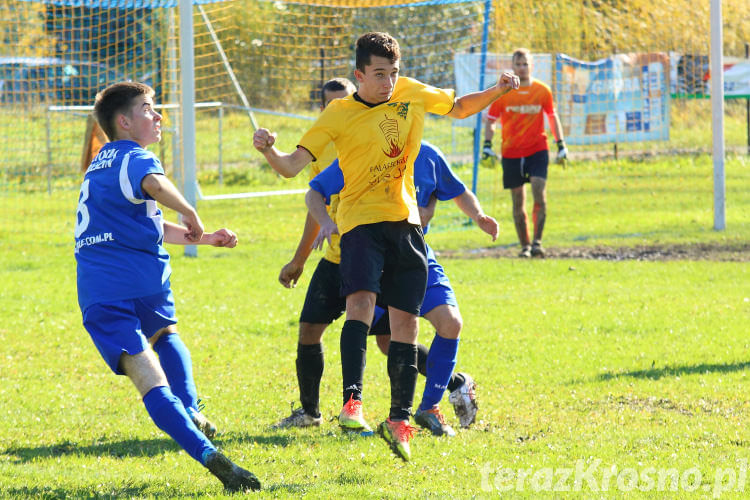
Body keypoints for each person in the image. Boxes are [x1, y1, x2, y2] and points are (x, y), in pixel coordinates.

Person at [254, 32, 518, 461]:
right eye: (379, 74)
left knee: (405, 325)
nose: (388, 82)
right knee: (359, 303)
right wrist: (270, 149)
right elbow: (290, 168)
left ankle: (399, 419)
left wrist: (498, 90)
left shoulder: (411, 93)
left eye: (393, 73)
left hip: (406, 224)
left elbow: (461, 107)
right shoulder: (338, 113)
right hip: (359, 223)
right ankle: (352, 404)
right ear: (359, 74)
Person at [74, 82, 260, 492]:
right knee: (166, 335)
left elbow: (148, 222)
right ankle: (191, 408)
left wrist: (204, 238)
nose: (157, 117)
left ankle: (207, 453)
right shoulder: (134, 155)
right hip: (141, 278)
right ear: (124, 122)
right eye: (148, 109)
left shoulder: (97, 168)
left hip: (97, 288)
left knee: (149, 380)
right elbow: (155, 186)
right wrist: (191, 209)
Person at [307, 140, 496, 436]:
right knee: (386, 340)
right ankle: (358, 410)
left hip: (416, 255)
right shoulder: (362, 149)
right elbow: (315, 190)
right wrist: (326, 222)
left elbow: (458, 191)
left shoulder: (429, 155)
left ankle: (429, 408)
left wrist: (479, 216)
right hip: (373, 260)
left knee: (451, 323)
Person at [483, 48, 567, 258]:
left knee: (539, 192)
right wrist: (487, 144)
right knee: (517, 200)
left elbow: (552, 116)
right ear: (512, 67)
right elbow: (491, 121)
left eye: (525, 64)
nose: (522, 68)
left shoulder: (542, 91)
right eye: (518, 64)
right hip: (511, 152)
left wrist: (561, 144)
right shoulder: (503, 93)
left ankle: (537, 242)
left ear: (532, 66)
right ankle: (525, 246)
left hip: (537, 149)